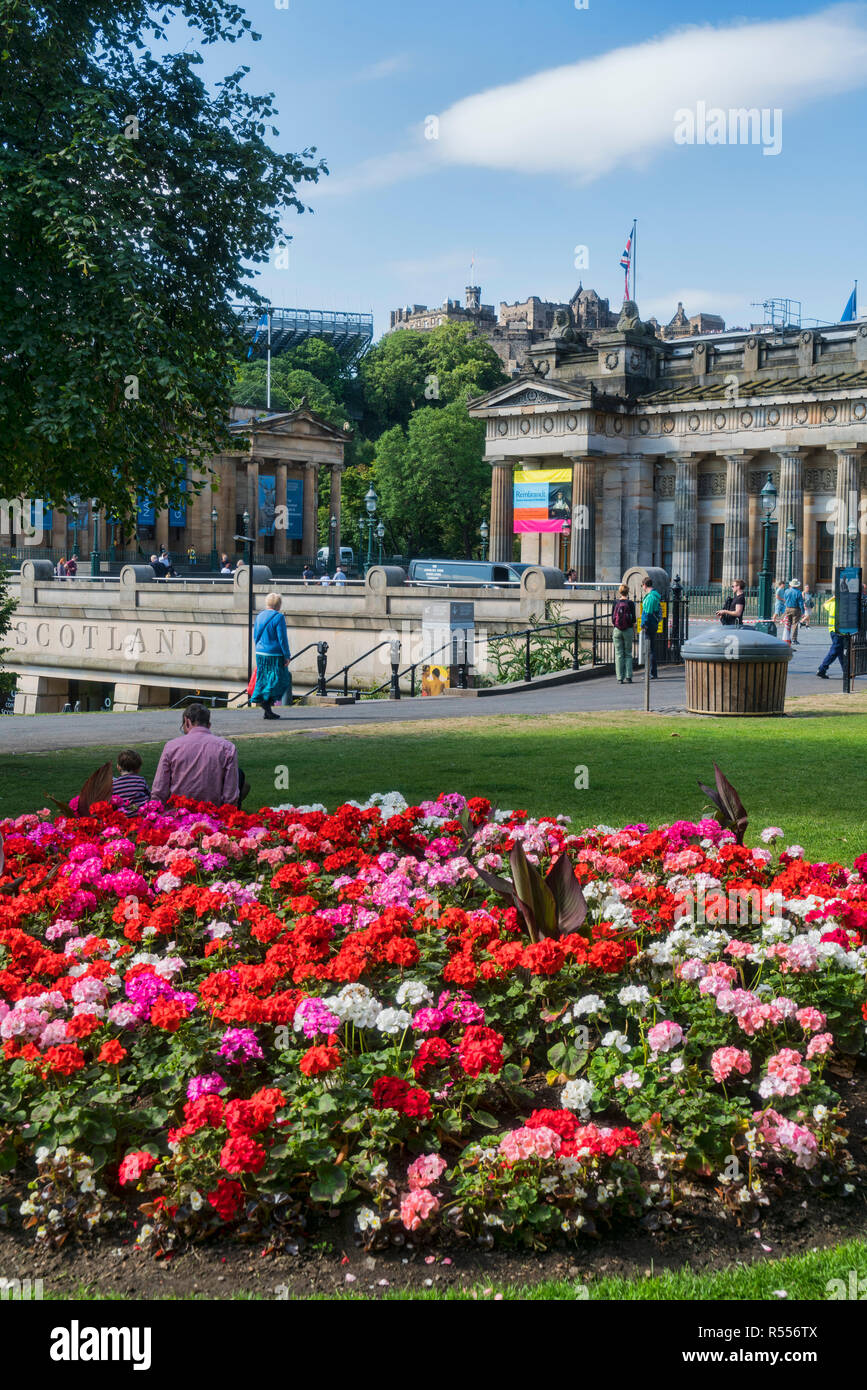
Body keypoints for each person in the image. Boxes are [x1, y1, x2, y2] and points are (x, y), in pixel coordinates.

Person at [152, 703, 241, 805]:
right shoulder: (227, 748)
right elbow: (231, 795)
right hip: (213, 816)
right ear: (209, 725)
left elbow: (159, 789)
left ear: (187, 721)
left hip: (178, 814)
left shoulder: (172, 747)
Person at [250, 593, 292, 720]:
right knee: (282, 678)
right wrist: (287, 655)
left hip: (260, 652)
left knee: (263, 678)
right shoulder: (279, 617)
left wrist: (259, 646)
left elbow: (256, 634)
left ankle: (267, 709)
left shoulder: (260, 615)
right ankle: (266, 704)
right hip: (274, 654)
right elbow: (282, 638)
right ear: (278, 604)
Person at [111, 749, 151, 813]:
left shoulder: (114, 785)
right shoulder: (141, 781)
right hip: (141, 816)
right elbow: (149, 796)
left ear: (118, 767)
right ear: (138, 769)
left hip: (123, 817)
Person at [611, 583, 636, 683]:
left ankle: (619, 678)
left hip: (617, 630)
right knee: (628, 654)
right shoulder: (630, 603)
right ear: (627, 591)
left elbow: (612, 618)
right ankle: (628, 676)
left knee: (619, 654)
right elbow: (633, 619)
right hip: (628, 630)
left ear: (620, 591)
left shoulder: (615, 602)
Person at [816, 595, 846, 678]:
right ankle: (822, 669)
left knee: (839, 651)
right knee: (835, 651)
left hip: (832, 630)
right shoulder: (844, 604)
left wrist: (833, 597)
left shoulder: (832, 603)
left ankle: (846, 671)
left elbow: (824, 604)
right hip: (840, 631)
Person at [641, 578, 662, 678]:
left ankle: (650, 673)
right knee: (652, 649)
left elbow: (647, 613)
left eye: (642, 585)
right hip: (653, 624)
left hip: (649, 625)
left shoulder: (650, 598)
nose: (642, 588)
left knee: (649, 650)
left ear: (645, 585)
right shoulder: (655, 596)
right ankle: (653, 673)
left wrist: (643, 625)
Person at [781, 579, 805, 646]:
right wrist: (803, 612)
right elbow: (801, 603)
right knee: (795, 624)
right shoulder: (798, 592)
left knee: (788, 624)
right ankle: (794, 639)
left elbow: (784, 600)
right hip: (795, 609)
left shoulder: (786, 591)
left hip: (787, 608)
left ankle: (786, 638)